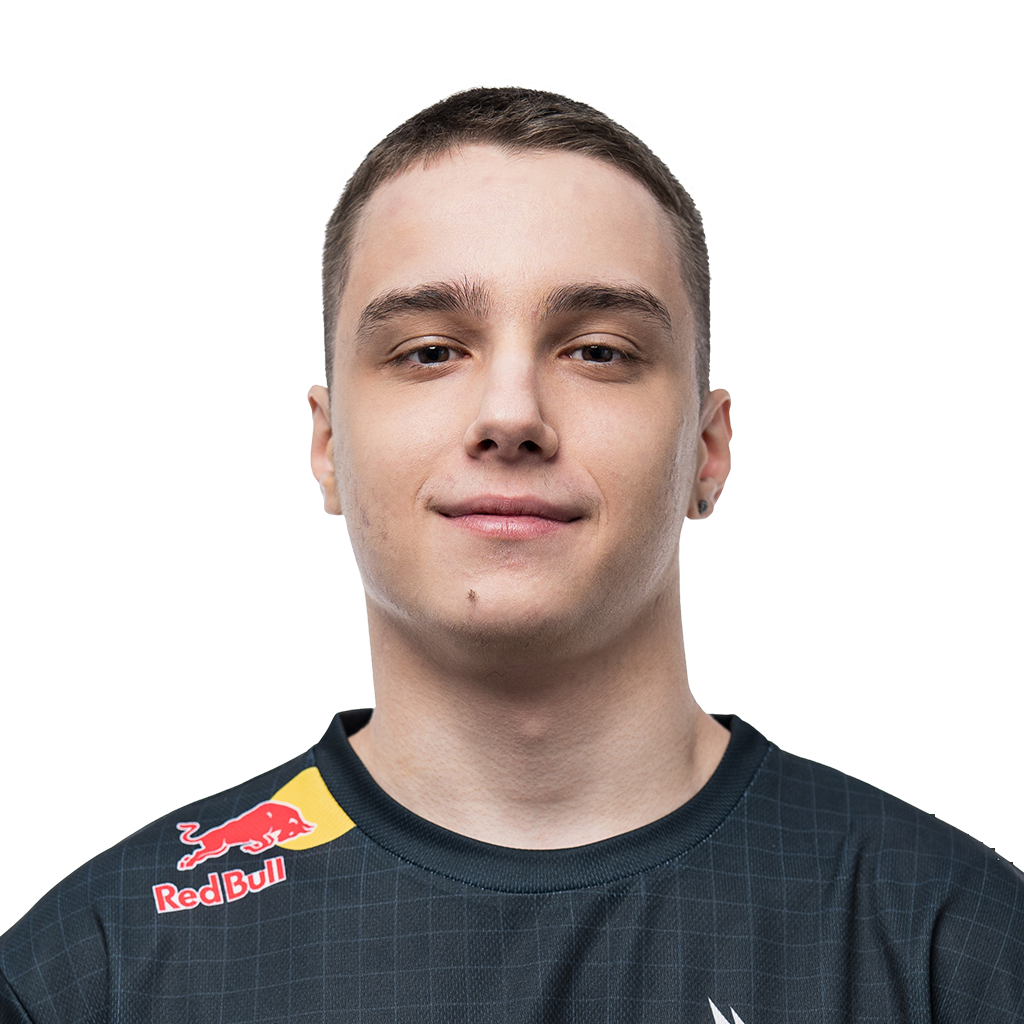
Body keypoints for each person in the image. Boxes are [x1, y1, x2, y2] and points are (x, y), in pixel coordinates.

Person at [2, 83, 1022, 1024]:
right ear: (327, 446)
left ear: (708, 450)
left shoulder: (951, 945)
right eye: (429, 350)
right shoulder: (98, 970)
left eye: (598, 350)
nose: (511, 416)